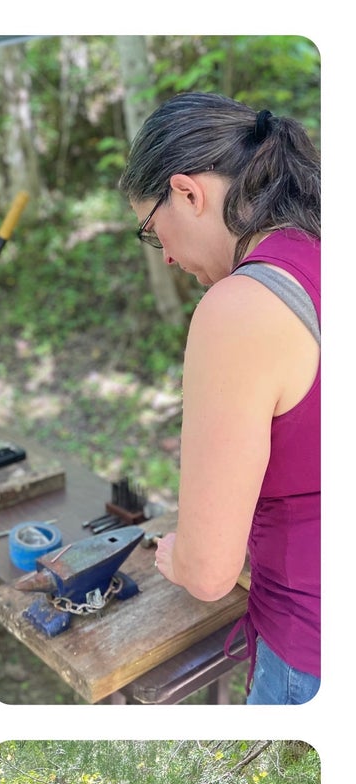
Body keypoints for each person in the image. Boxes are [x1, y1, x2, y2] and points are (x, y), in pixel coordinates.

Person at [119, 93, 320, 704]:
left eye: (153, 233)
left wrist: (178, 554)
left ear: (187, 192)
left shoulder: (241, 306)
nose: (170, 256)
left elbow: (208, 573)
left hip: (311, 650)